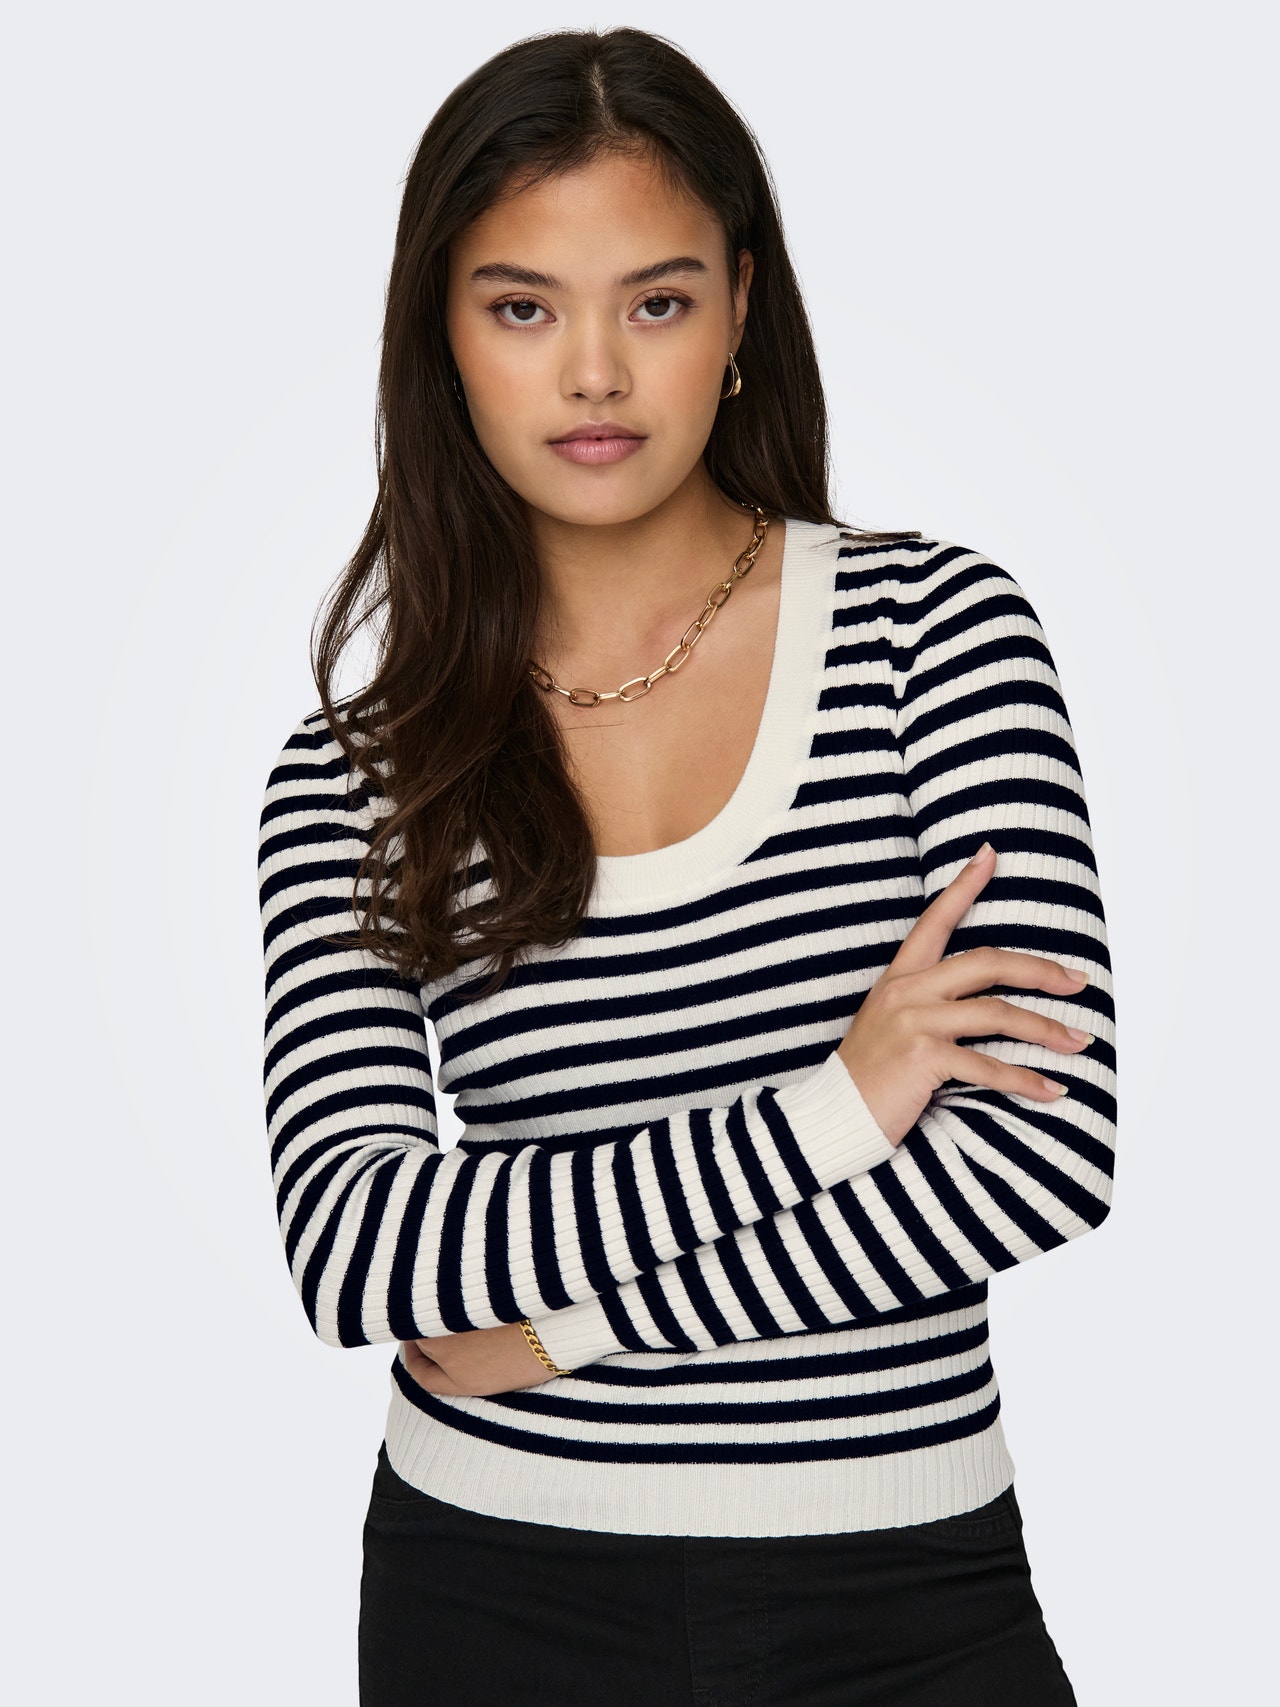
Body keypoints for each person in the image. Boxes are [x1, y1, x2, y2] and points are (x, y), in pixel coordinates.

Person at [257, 26, 1115, 1706]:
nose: (593, 373)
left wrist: (565, 1333)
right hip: (486, 1596)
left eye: (654, 302)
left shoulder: (934, 643)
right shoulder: (360, 776)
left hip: (906, 1594)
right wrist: (842, 1108)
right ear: (442, 340)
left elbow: (1037, 1160)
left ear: (739, 316)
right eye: (523, 308)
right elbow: (363, 1252)